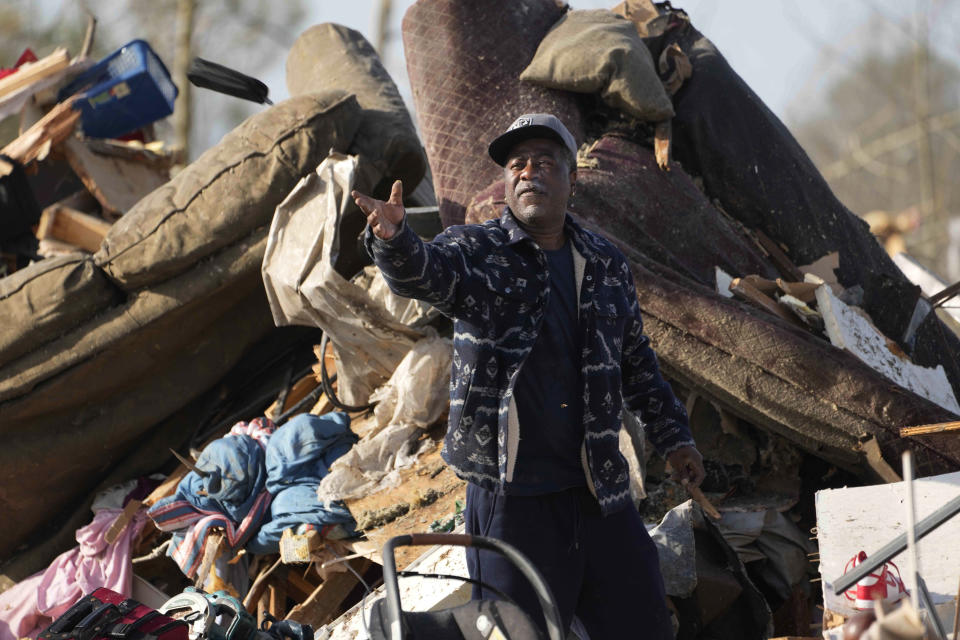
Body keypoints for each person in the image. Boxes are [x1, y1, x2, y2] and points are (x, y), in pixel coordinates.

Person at [353, 113, 705, 639]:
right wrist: (394, 239)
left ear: (572, 179)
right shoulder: (476, 251)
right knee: (516, 633)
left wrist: (675, 436)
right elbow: (422, 273)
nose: (528, 173)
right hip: (512, 501)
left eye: (544, 162)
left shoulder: (605, 263)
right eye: (517, 165)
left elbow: (636, 360)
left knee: (644, 624)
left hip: (598, 492)